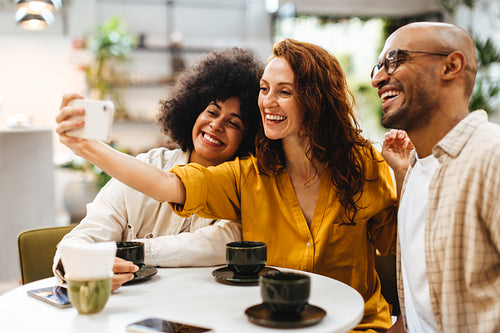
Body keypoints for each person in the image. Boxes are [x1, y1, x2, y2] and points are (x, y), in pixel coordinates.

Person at [57, 39, 398, 331]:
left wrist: (405, 173)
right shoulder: (249, 175)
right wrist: (87, 146)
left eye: (284, 92)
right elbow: (165, 185)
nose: (268, 102)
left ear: (316, 100)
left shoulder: (365, 166)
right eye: (264, 89)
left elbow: (401, 248)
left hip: (355, 325)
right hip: (270, 327)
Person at [53, 47, 263, 291]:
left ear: (248, 137)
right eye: (212, 112)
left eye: (233, 123)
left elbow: (216, 245)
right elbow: (82, 237)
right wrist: (81, 267)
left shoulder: (241, 188)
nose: (216, 125)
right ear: (193, 112)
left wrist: (125, 251)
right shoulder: (145, 166)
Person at [372, 22, 500, 332]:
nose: (377, 78)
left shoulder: (491, 157)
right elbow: (418, 312)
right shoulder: (415, 171)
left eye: (394, 60)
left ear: (451, 66)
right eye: (377, 66)